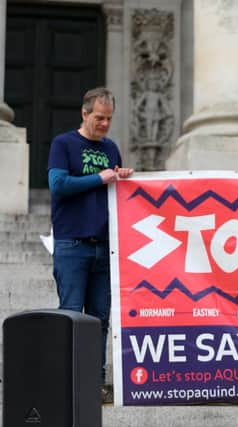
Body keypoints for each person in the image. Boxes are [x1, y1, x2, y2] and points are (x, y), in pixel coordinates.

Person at [47, 87, 133, 402]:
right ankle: (66, 381)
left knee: (99, 318)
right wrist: (100, 177)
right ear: (84, 114)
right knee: (71, 313)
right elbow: (58, 185)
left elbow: (113, 186)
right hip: (72, 243)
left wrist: (120, 176)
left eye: (109, 119)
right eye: (99, 118)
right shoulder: (63, 144)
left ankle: (94, 383)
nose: (105, 125)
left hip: (105, 245)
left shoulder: (111, 148)